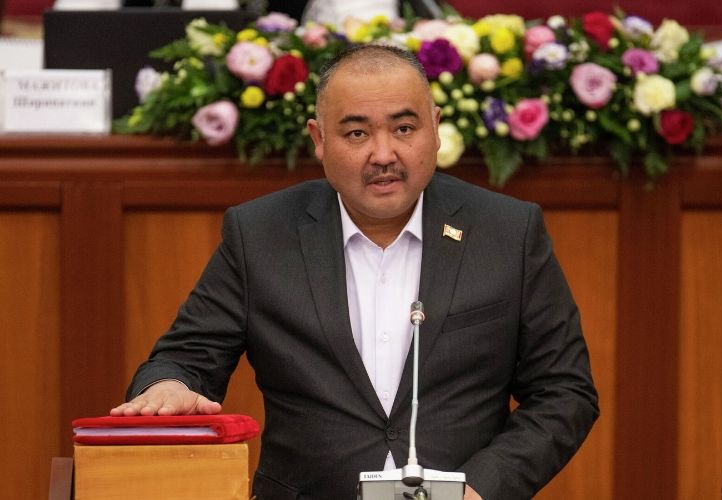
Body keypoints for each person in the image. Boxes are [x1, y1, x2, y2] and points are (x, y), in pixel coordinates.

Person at [111, 44, 599, 500]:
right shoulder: (260, 234)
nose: (383, 155)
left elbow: (564, 392)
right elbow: (185, 359)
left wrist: (481, 488)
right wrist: (167, 387)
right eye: (357, 133)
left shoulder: (507, 231)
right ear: (319, 140)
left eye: (404, 129)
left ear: (435, 128)